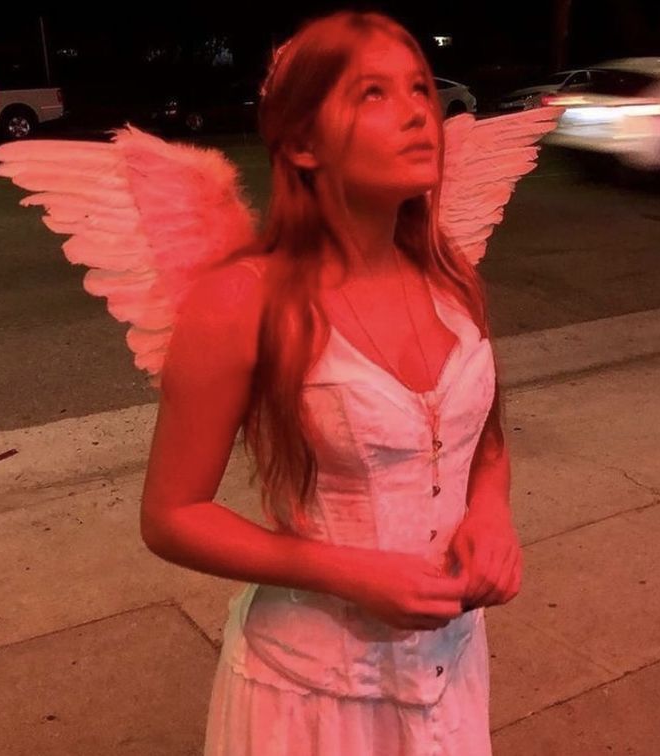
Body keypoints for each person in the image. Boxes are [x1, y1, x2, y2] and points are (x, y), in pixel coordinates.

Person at [140, 9, 522, 755]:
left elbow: (485, 443)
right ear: (303, 144)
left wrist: (491, 515)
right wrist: (347, 572)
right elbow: (173, 514)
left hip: (451, 675)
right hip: (312, 698)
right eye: (373, 94)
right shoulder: (242, 300)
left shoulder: (451, 278)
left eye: (419, 87)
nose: (420, 111)